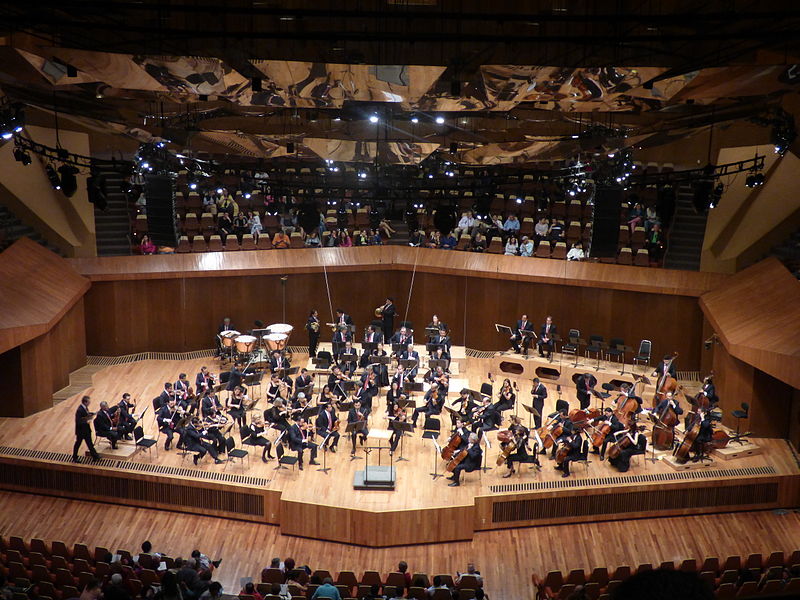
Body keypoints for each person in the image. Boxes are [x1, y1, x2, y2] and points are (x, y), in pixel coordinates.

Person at [73, 396, 100, 462]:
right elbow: (78, 421)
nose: (89, 403)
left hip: (86, 430)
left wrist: (92, 414)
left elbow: (86, 415)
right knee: (78, 444)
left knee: (90, 443)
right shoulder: (80, 410)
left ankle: (95, 456)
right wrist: (86, 421)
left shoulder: (84, 408)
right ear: (85, 402)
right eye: (89, 402)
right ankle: (74, 457)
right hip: (81, 431)